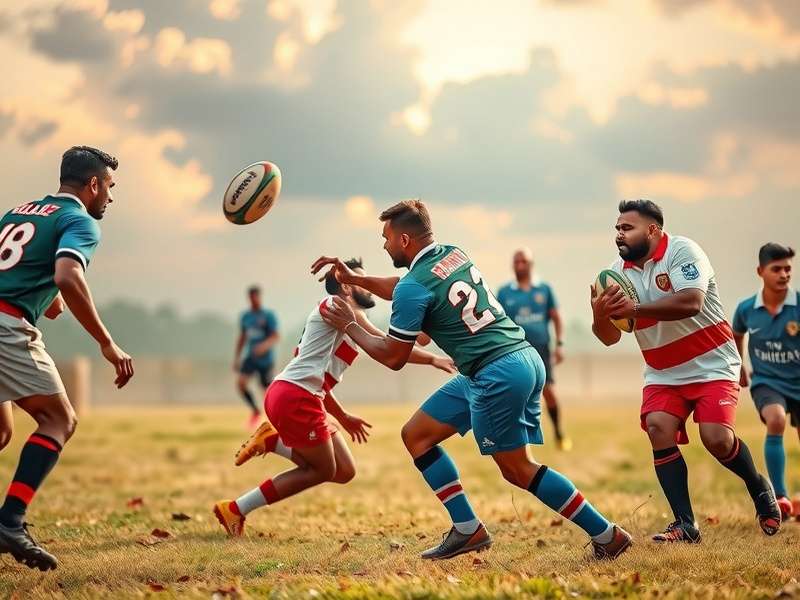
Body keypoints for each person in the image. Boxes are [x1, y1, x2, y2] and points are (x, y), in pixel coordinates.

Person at [312, 200, 631, 561]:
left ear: (403, 240)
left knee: (517, 468)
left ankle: (607, 535)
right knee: (416, 434)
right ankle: (468, 529)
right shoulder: (452, 254)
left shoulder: (413, 286)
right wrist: (355, 279)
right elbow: (405, 286)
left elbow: (392, 356)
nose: (383, 246)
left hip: (496, 373)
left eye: (385, 238)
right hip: (515, 360)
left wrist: (350, 323)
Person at [213, 258, 455, 536]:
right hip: (296, 397)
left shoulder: (349, 320)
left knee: (344, 470)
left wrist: (433, 358)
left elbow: (389, 349)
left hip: (301, 395)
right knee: (322, 470)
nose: (367, 286)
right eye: (358, 280)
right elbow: (386, 350)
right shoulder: (337, 307)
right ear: (346, 286)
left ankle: (272, 441)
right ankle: (236, 508)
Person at [590, 199, 781, 543]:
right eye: (617, 228)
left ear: (653, 230)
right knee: (656, 427)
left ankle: (758, 486)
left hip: (713, 363)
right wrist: (600, 316)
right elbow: (609, 338)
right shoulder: (614, 275)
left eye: (627, 228)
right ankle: (685, 524)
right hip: (663, 371)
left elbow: (691, 301)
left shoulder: (683, 251)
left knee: (717, 439)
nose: (619, 234)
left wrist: (634, 307)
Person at [0, 146, 134, 571]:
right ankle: (10, 522)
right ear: (93, 184)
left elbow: (32, 270)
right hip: (5, 326)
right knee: (60, 420)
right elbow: (67, 273)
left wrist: (47, 298)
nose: (110, 199)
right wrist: (107, 342)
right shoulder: (78, 220)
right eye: (109, 187)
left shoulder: (17, 212)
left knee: (1, 430)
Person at [732, 243, 798, 521]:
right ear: (761, 271)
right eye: (776, 269)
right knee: (776, 420)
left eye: (788, 269)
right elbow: (737, 334)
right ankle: (781, 497)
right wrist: (740, 366)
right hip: (767, 382)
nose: (783, 274)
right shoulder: (747, 309)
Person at [497, 248, 570, 450]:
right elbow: (496, 320)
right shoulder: (504, 292)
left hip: (541, 348)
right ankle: (517, 439)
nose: (520, 265)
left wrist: (560, 344)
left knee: (548, 391)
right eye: (517, 261)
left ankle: (558, 432)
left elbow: (556, 317)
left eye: (524, 261)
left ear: (531, 264)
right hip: (514, 349)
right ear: (512, 265)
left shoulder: (543, 289)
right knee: (514, 392)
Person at [233, 286, 279, 428]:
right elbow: (242, 337)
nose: (253, 300)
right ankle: (255, 411)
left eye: (256, 297)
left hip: (265, 359)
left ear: (260, 297)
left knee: (266, 391)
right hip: (251, 357)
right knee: (241, 383)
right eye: (251, 297)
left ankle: (276, 417)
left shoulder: (268, 316)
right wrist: (237, 357)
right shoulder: (246, 317)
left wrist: (263, 347)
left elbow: (275, 336)